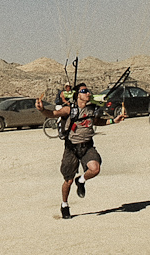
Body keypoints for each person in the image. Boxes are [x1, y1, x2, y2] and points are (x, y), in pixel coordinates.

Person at [35, 83, 126, 219]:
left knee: (95, 169)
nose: (88, 93)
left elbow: (96, 121)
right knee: (68, 181)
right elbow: (53, 114)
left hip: (87, 146)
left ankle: (81, 180)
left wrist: (113, 121)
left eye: (88, 91)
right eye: (84, 91)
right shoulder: (69, 109)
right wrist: (42, 110)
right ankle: (64, 204)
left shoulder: (91, 109)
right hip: (72, 148)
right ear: (78, 95)